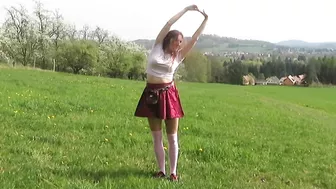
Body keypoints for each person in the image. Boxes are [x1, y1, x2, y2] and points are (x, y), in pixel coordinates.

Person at [134, 4, 208, 181]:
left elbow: (196, 38)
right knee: (156, 136)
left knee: (172, 136)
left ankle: (173, 172)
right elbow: (168, 23)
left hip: (169, 95)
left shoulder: (179, 56)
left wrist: (205, 19)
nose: (179, 44)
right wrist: (185, 10)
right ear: (169, 40)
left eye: (182, 42)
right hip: (151, 94)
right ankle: (161, 170)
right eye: (177, 41)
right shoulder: (157, 47)